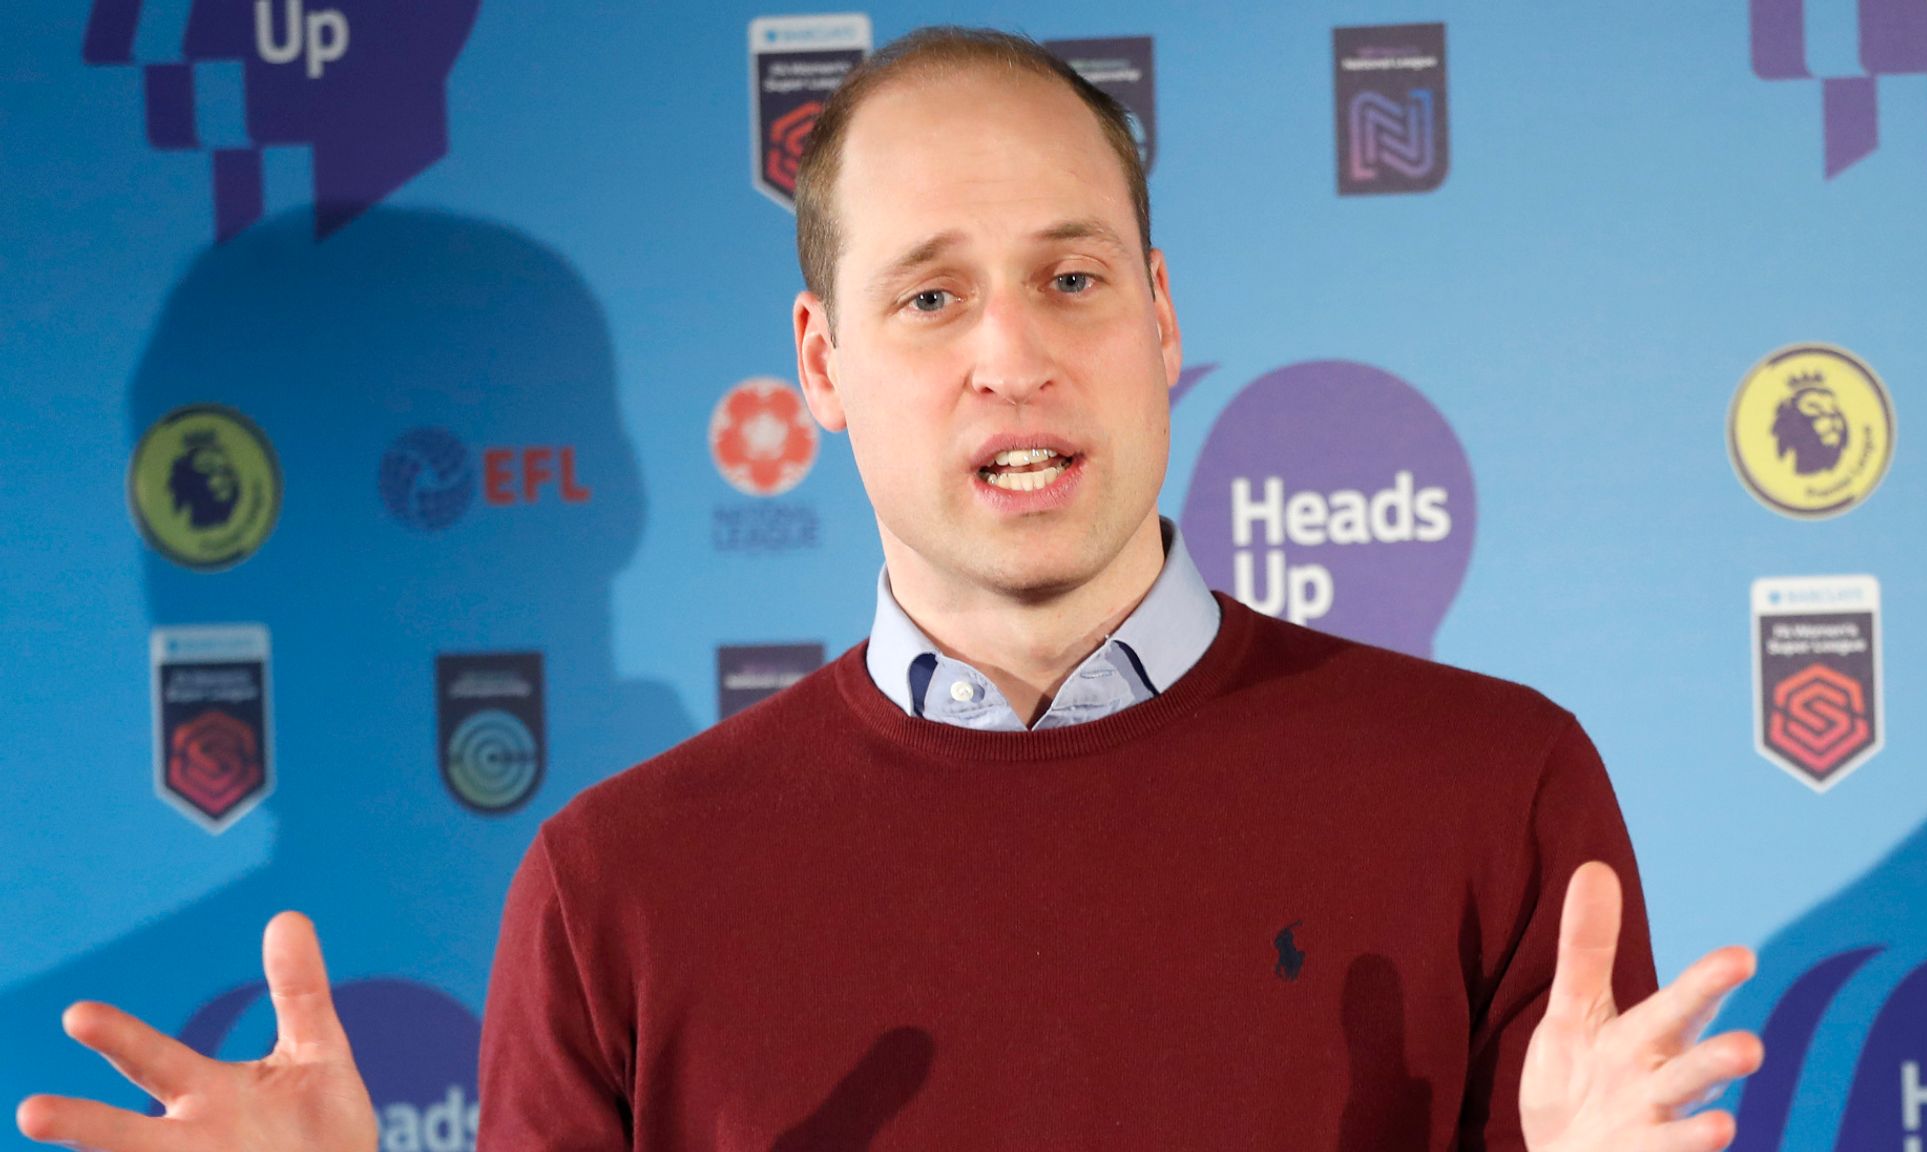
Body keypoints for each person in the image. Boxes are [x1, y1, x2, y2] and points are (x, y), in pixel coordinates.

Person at [15, 26, 1763, 1151]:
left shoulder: (1493, 786)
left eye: (1071, 278)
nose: (1013, 355)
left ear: (1160, 320)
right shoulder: (616, 890)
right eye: (929, 298)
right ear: (821, 364)